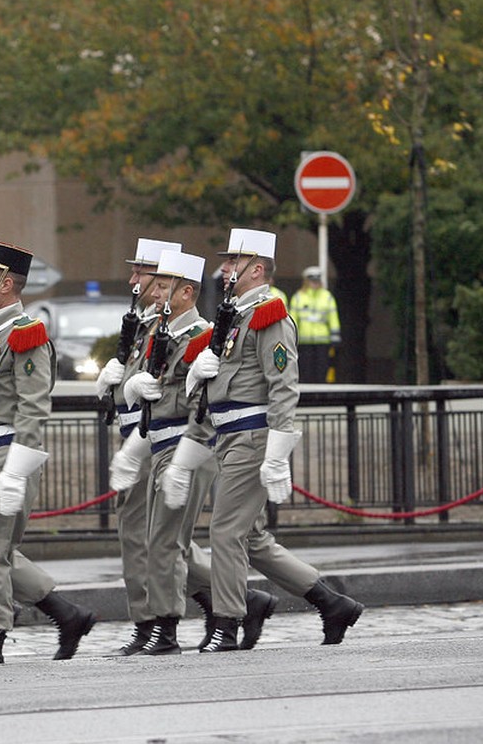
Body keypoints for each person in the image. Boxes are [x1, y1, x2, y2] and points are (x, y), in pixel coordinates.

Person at [167, 228, 364, 651]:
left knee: (225, 532)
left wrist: (276, 455)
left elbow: (283, 386)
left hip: (252, 438)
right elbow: (217, 396)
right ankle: (332, 604)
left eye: (233, 263)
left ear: (257, 269)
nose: (224, 270)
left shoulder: (268, 313)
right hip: (228, 436)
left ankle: (227, 622)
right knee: (251, 538)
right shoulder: (234, 316)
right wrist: (197, 375)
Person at [0, 240, 97, 665]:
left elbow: (34, 403)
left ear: (7, 285)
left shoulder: (24, 333)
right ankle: (68, 615)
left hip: (7, 452)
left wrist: (16, 468)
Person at [93, 238, 181, 656]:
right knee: (136, 538)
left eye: (141, 273)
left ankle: (161, 622)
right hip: (133, 440)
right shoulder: (143, 324)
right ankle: (147, 621)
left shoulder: (174, 327)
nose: (133, 279)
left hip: (157, 444)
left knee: (157, 541)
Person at [289, 265, 340, 383]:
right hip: (304, 341)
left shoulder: (327, 297)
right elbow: (293, 320)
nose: (315, 283)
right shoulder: (298, 298)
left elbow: (333, 318)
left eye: (317, 280)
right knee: (306, 369)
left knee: (322, 369)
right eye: (312, 280)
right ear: (306, 281)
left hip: (323, 341)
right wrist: (292, 337)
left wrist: (335, 338)